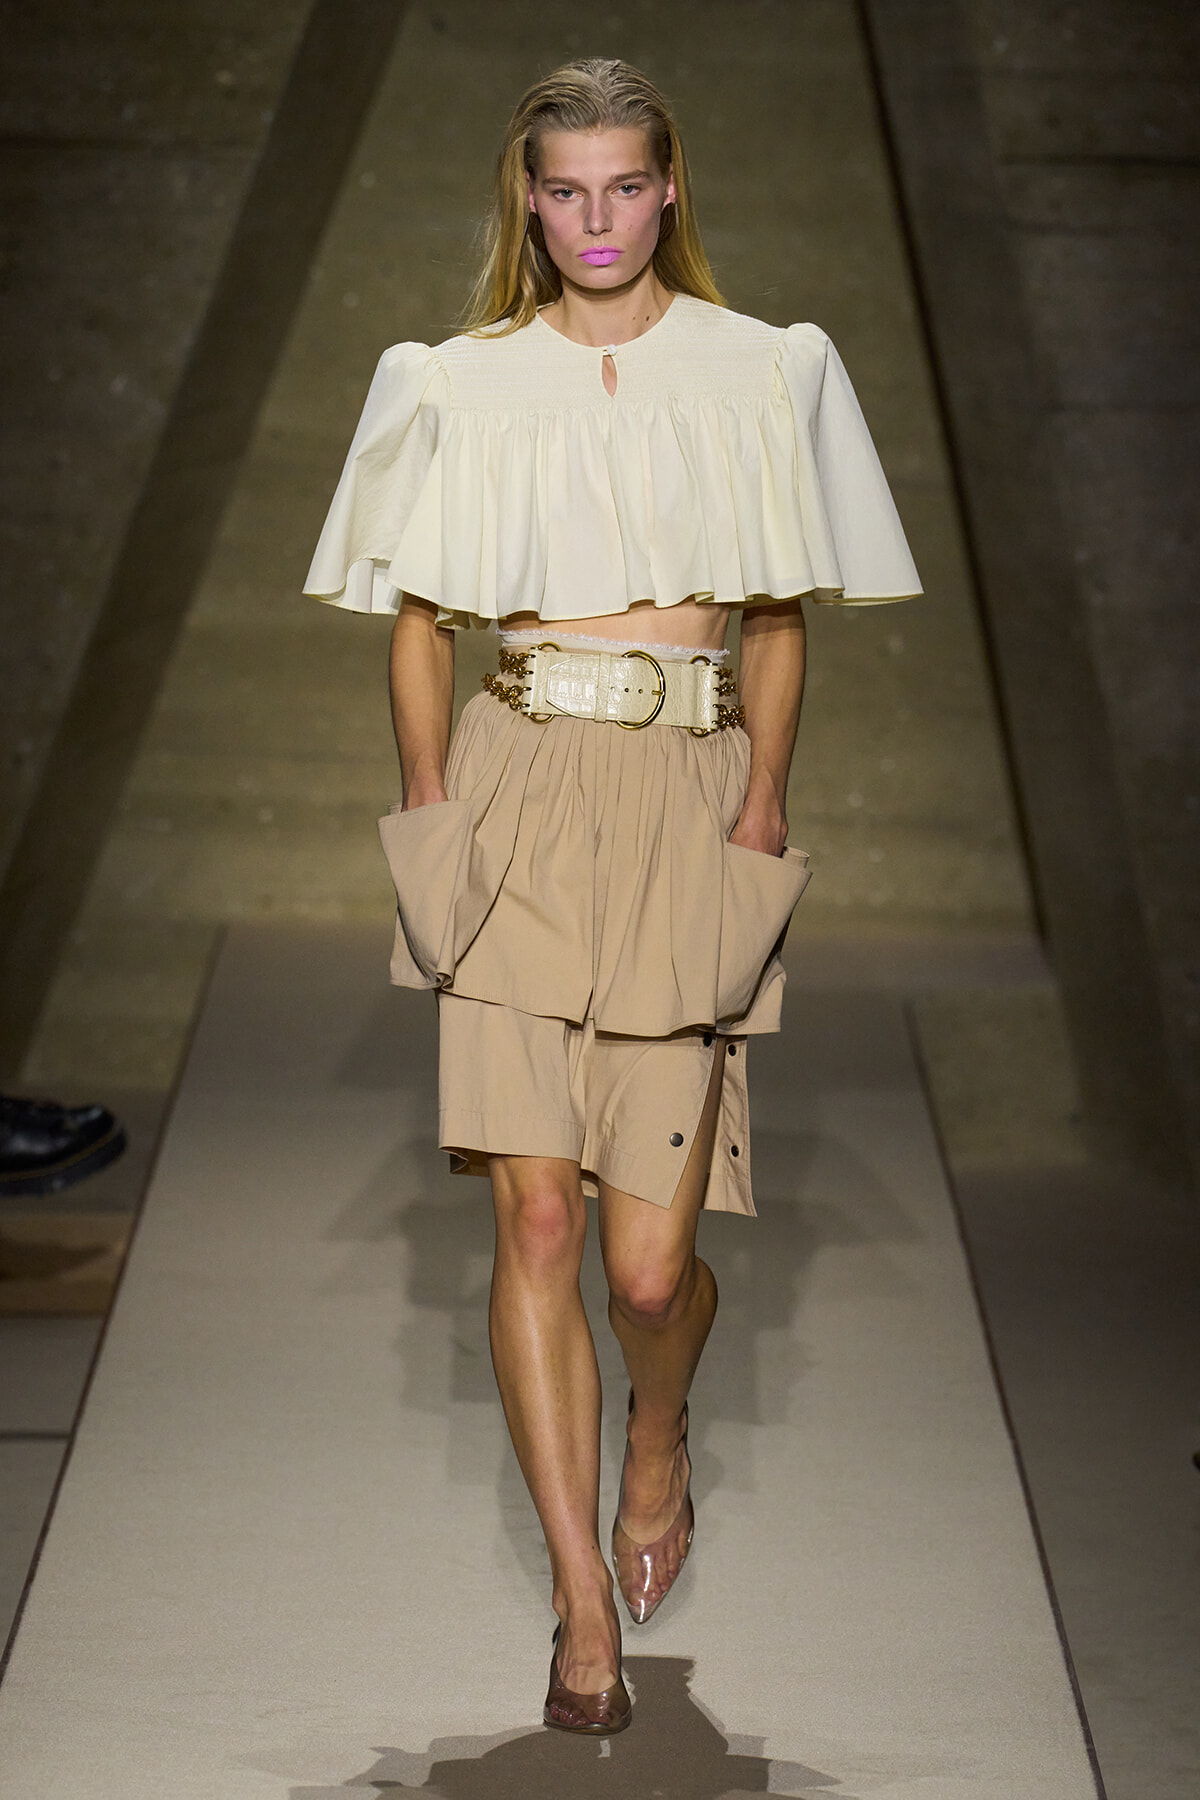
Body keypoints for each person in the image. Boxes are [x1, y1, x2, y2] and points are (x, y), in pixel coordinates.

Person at [305, 58, 920, 1736]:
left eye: (621, 187)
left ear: (668, 189)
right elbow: (419, 617)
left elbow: (781, 612)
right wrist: (433, 808)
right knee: (537, 1219)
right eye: (560, 188)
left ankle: (659, 1431)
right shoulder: (454, 381)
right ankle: (581, 1609)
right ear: (528, 194)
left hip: (682, 797)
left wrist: (762, 810)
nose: (591, 220)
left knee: (648, 1276)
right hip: (516, 784)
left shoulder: (766, 369)